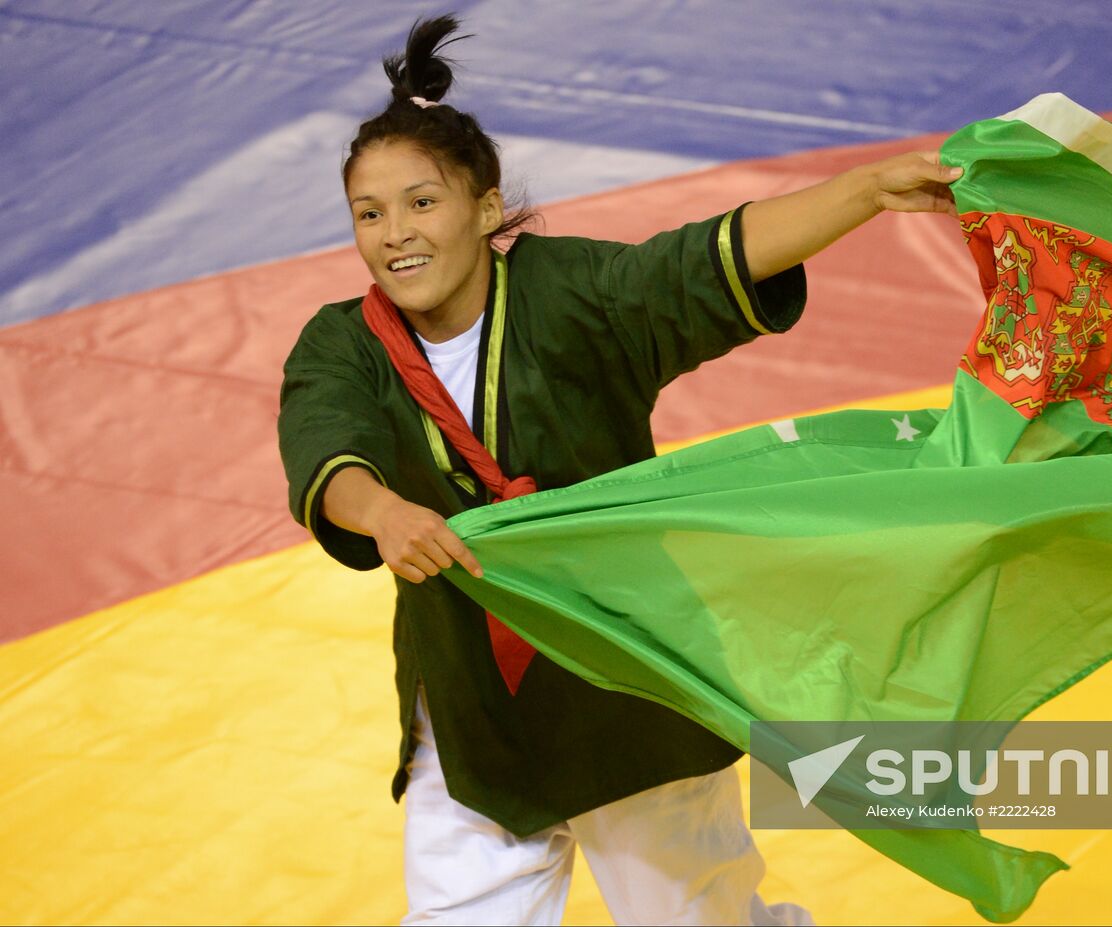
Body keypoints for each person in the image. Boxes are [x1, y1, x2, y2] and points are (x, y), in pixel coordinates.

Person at [277, 15, 961, 926]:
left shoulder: (570, 294)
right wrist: (385, 512)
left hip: (624, 686)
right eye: (370, 213)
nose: (394, 233)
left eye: (422, 203)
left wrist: (869, 188)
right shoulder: (342, 342)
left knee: (702, 918)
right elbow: (327, 446)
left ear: (485, 208)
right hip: (477, 708)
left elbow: (707, 261)